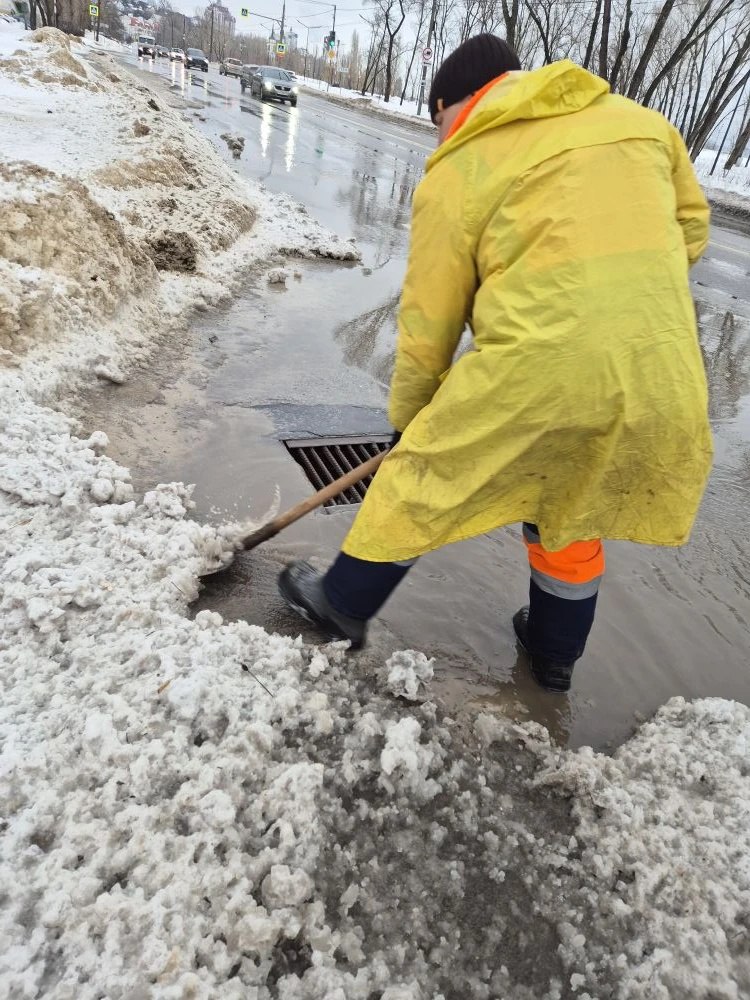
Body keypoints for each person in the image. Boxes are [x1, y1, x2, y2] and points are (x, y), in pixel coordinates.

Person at [278, 34, 712, 693]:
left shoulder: (464, 162)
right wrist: (621, 292)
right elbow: (691, 227)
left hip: (541, 368)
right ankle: (553, 654)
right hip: (663, 370)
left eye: (437, 122)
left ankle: (341, 602)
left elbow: (430, 320)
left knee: (422, 474)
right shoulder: (644, 126)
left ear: (452, 104)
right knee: (571, 503)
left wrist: (410, 423)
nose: (439, 136)